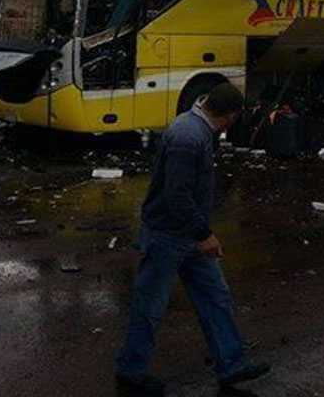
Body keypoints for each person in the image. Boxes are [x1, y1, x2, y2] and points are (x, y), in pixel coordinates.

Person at [115, 83, 270, 396]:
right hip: (169, 235)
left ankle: (231, 365)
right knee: (150, 306)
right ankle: (130, 372)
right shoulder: (189, 137)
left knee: (216, 298)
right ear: (229, 116)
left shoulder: (195, 129)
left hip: (187, 233)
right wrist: (204, 234)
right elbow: (177, 194)